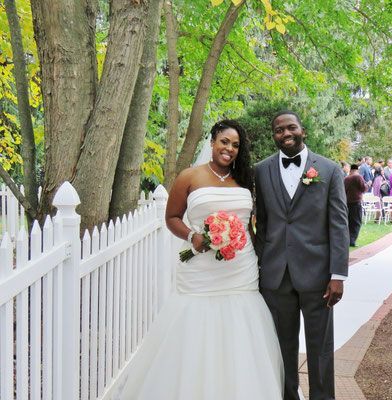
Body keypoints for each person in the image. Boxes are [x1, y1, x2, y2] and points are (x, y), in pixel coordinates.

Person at [117, 120, 284, 399]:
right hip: (200, 269)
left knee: (240, 328)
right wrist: (193, 236)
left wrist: (254, 251)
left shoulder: (245, 179)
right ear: (212, 142)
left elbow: (251, 225)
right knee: (195, 327)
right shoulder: (189, 177)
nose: (229, 149)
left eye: (235, 145)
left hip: (240, 269)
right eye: (224, 142)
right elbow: (171, 218)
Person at [254, 110, 349, 400]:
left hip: (318, 276)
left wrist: (337, 274)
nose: (285, 134)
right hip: (276, 275)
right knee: (281, 347)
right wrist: (261, 263)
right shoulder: (261, 170)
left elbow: (338, 223)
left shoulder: (329, 170)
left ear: (302, 130)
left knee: (320, 347)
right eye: (278, 130)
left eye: (290, 128)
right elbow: (263, 223)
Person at [344, 163, 367, 246]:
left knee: (349, 222)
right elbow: (363, 188)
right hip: (356, 202)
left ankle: (347, 239)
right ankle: (352, 241)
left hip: (347, 202)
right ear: (357, 170)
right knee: (356, 222)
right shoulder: (358, 177)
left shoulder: (346, 178)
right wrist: (368, 184)